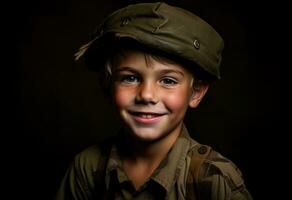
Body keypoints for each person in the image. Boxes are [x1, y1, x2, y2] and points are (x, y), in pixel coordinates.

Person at [56, 2, 253, 199]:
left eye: (168, 81)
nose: (147, 95)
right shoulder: (88, 168)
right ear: (109, 85)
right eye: (130, 78)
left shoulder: (213, 179)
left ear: (196, 93)